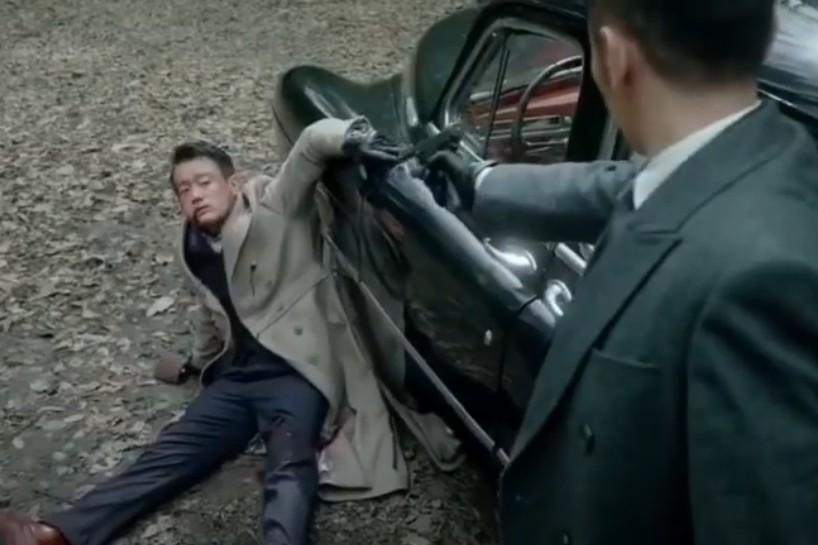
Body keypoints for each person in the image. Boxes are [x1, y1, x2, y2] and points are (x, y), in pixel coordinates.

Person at [426, 0, 818, 543]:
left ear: (614, 57)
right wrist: (482, 183)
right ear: (769, 28)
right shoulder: (772, 156)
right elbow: (633, 186)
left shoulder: (758, 290)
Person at [0, 117, 413, 545]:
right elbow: (210, 313)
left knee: (289, 464)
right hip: (240, 377)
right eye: (184, 190)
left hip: (298, 371)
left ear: (232, 183)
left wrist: (351, 135)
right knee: (170, 453)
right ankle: (57, 534)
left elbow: (309, 146)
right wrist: (196, 362)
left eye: (204, 182)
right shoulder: (191, 247)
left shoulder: (275, 208)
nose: (195, 195)